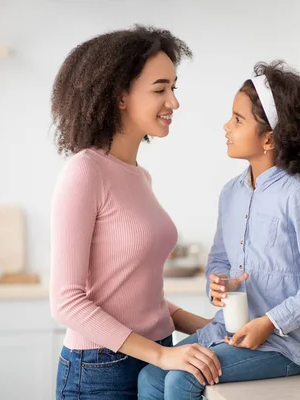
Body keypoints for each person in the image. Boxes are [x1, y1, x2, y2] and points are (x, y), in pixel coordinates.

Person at [137, 60, 300, 400]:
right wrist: (218, 286)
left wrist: (269, 322)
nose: (226, 127)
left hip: (281, 346)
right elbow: (219, 259)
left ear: (269, 138)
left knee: (182, 379)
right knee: (151, 375)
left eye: (237, 119)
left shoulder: (299, 196)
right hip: (227, 332)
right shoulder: (231, 193)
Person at [49, 25, 221, 400]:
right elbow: (66, 302)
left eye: (174, 88)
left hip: (155, 356)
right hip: (101, 370)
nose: (173, 101)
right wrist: (161, 354)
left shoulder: (139, 176)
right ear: (120, 96)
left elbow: (139, 296)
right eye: (160, 89)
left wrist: (210, 328)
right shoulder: (85, 171)